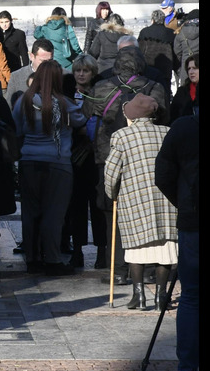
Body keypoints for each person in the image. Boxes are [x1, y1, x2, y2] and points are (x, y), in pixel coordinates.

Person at [86, 48, 169, 283]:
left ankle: (119, 270)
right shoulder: (154, 87)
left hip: (107, 156)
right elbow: (164, 117)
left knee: (112, 215)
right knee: (148, 211)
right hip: (145, 159)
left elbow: (86, 113)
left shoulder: (101, 87)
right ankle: (152, 268)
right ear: (141, 64)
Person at [13, 60, 87, 276]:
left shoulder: (24, 101)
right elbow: (80, 120)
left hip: (29, 162)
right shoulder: (64, 103)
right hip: (58, 163)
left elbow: (16, 128)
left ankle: (33, 259)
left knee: (30, 212)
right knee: (54, 213)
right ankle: (53, 259)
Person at [104, 94, 175, 310]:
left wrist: (112, 193)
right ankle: (161, 297)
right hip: (167, 201)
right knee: (165, 249)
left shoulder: (121, 136)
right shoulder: (167, 132)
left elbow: (111, 173)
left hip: (135, 201)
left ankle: (139, 296)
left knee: (136, 249)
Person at [154, 101, 199, 371]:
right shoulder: (183, 127)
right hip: (191, 218)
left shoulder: (183, 127)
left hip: (193, 220)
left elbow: (163, 175)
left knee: (192, 297)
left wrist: (182, 204)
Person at [63, 55, 107, 269]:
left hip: (95, 155)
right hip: (73, 154)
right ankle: (77, 250)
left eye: (85, 71)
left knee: (98, 206)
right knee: (76, 206)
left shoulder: (100, 92)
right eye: (78, 70)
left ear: (92, 72)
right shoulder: (66, 91)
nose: (81, 74)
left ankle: (102, 250)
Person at [138, 9, 178, 85]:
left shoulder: (144, 32)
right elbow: (175, 51)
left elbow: (140, 50)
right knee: (165, 90)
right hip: (166, 68)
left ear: (152, 20)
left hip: (148, 67)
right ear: (163, 20)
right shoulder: (171, 33)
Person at [170, 54, 199, 121]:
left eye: (195, 68)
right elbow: (173, 114)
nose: (191, 72)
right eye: (189, 69)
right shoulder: (182, 91)